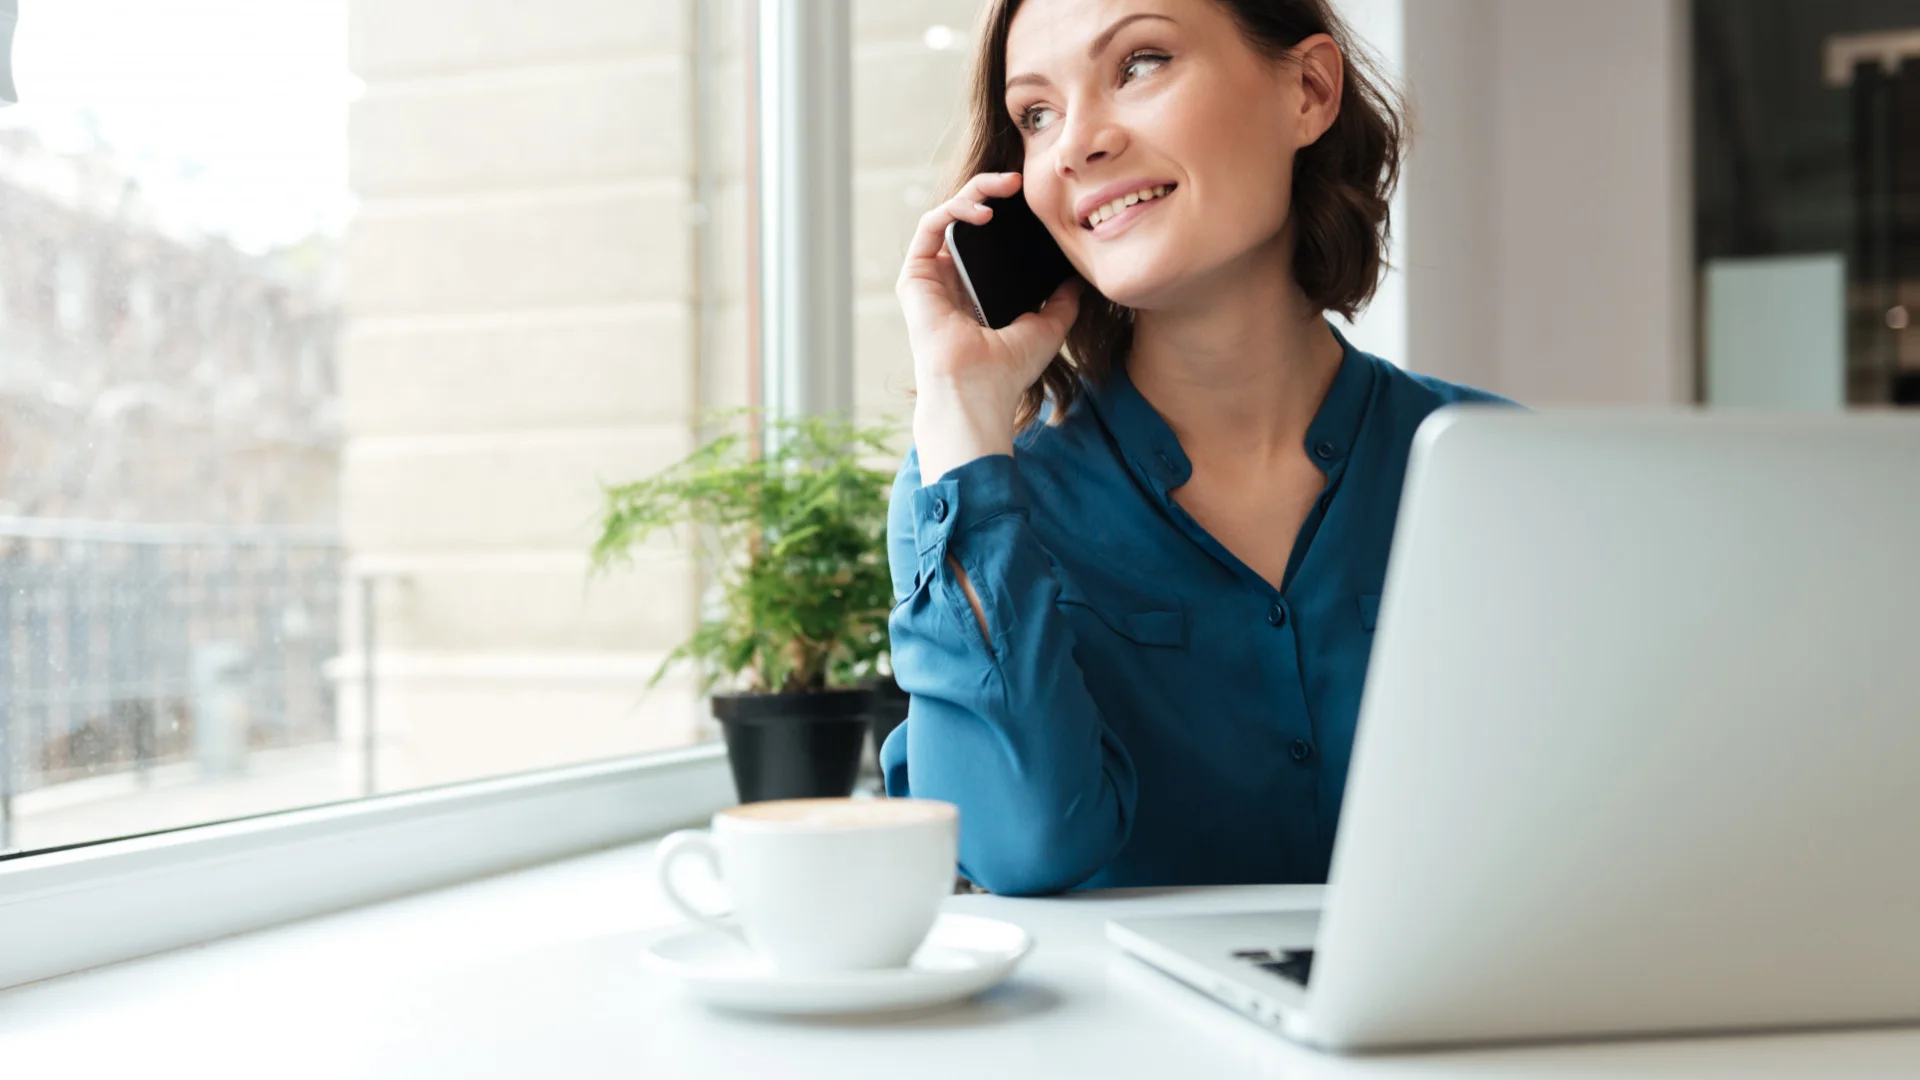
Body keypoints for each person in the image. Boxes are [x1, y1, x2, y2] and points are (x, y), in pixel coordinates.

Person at [882, 0, 1511, 897]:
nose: (1075, 145)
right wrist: (958, 398)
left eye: (1138, 64)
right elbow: (1015, 849)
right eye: (1036, 114)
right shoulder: (974, 495)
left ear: (1308, 90)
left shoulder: (1502, 474)